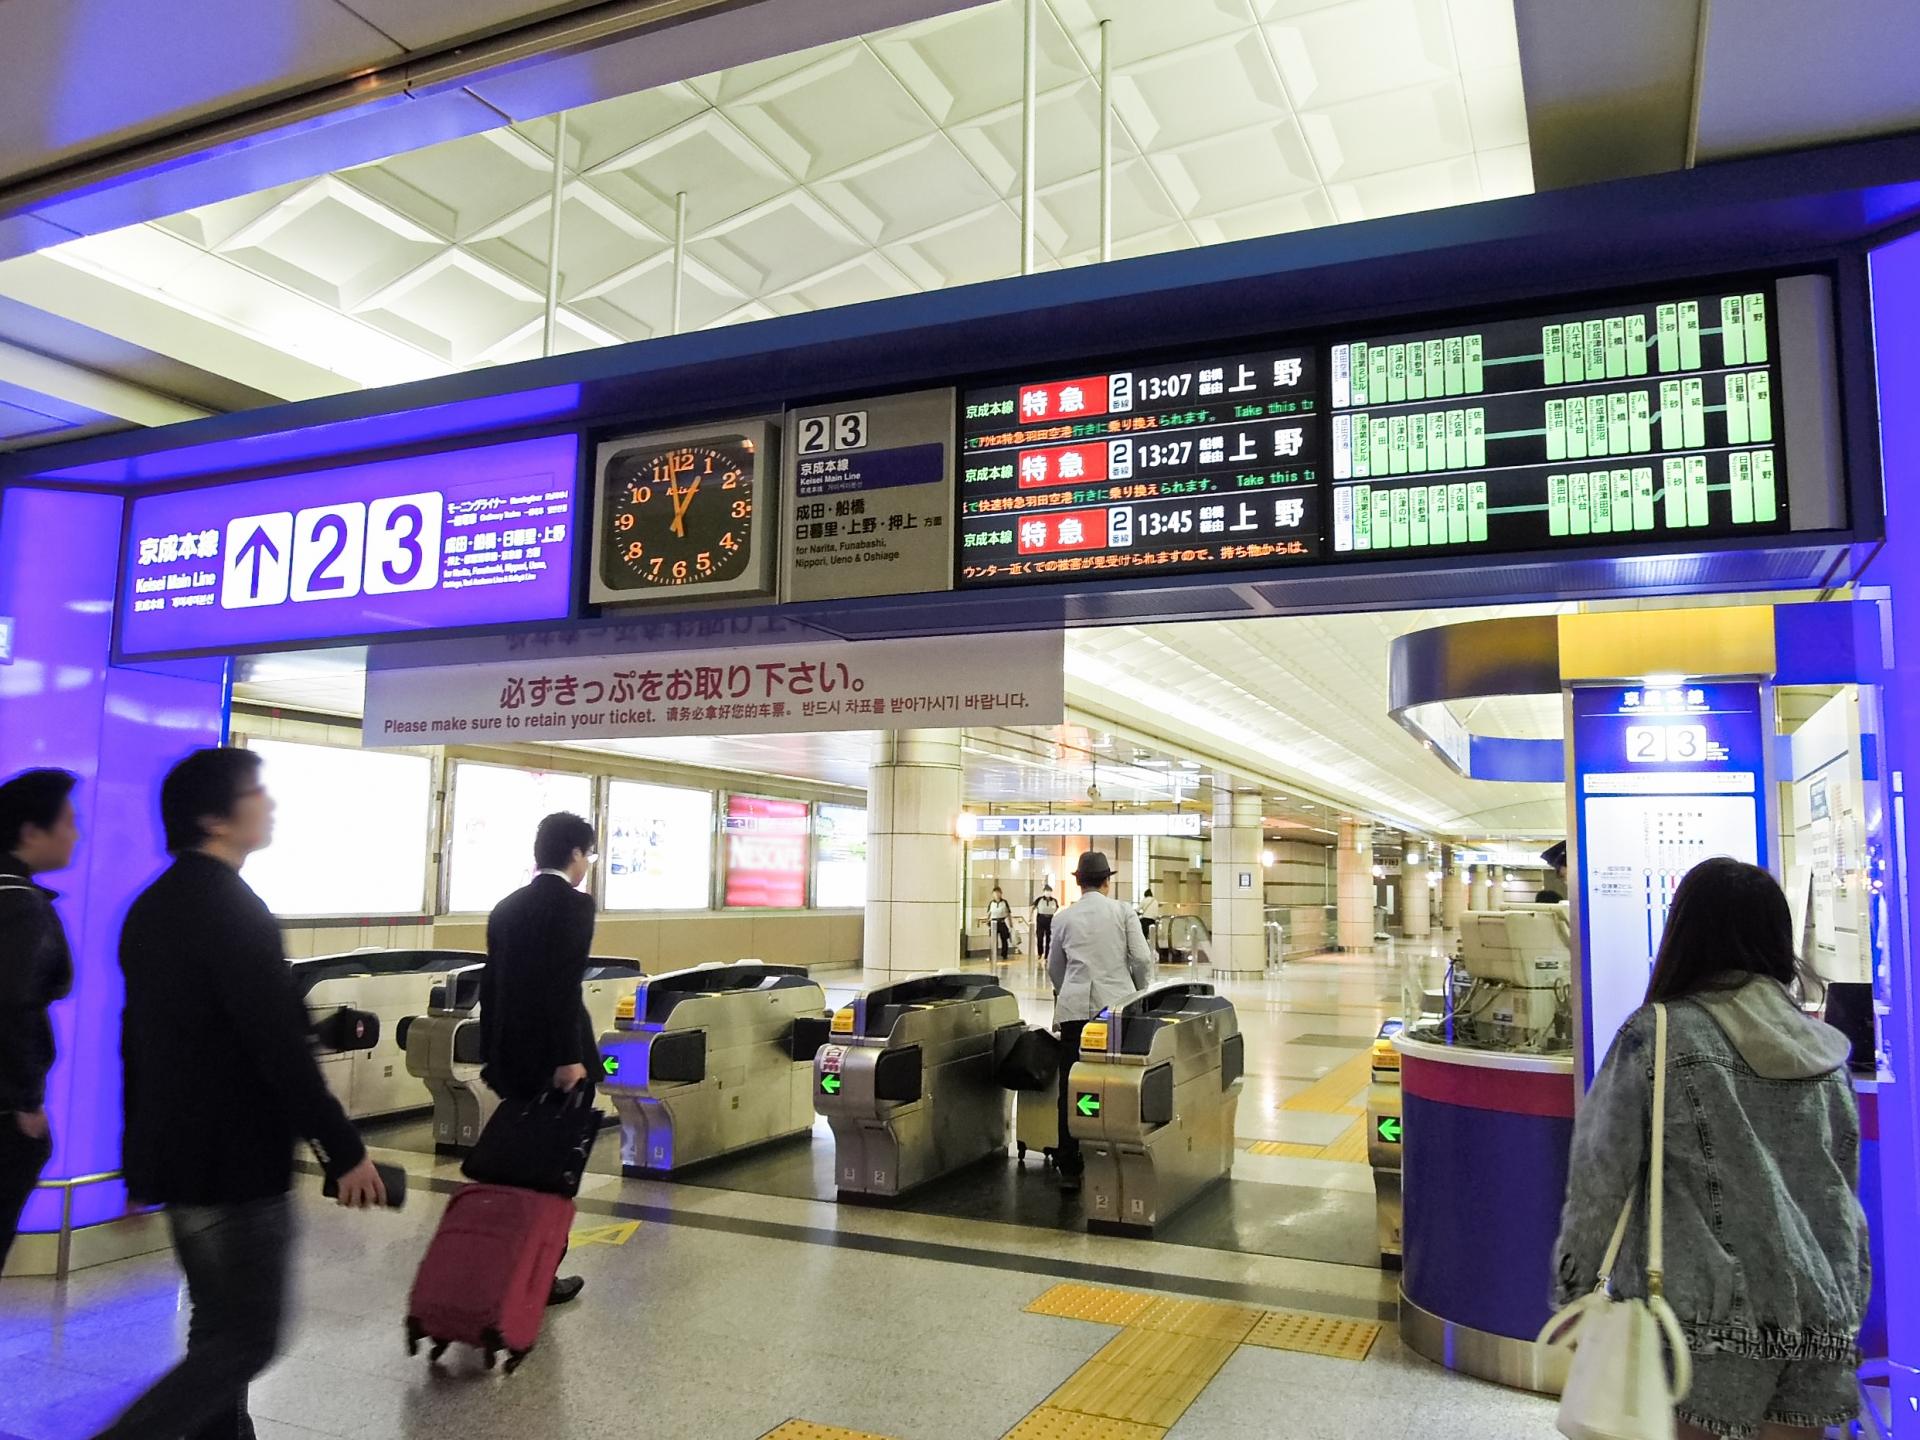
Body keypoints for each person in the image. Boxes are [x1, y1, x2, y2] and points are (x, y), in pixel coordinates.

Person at [96, 747, 386, 1440]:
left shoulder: (151, 910)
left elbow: (139, 1045)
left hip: (182, 1165)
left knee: (216, 1326)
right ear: (213, 817)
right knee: (248, 1339)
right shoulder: (235, 910)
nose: (270, 804)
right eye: (256, 792)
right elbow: (278, 1049)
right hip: (238, 1166)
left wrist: (140, 1162)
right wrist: (345, 1151)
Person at [1551, 858, 1869, 1440]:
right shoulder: (1825, 1051)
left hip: (1697, 1320)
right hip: (1819, 1314)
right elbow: (1842, 1195)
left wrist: (1574, 1292)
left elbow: (1600, 1176)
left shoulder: (1658, 1033)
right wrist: (1846, 1305)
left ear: (1684, 935)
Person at [480, 810, 601, 1307]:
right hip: (556, 1062)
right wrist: (569, 1058)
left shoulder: (506, 907)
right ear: (574, 853)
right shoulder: (574, 906)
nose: (588, 864)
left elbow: (493, 987)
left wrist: (493, 1055)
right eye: (588, 854)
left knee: (512, 1164)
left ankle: (496, 1260)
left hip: (511, 1060)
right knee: (553, 1170)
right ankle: (539, 1274)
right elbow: (560, 986)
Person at [0, 769, 78, 1274]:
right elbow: (13, 1007)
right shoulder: (20, 908)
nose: (76, 834)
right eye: (68, 823)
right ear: (31, 832)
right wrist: (26, 1104)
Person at [1047, 851, 1155, 1194]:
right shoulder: (1123, 911)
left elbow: (1055, 967)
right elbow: (1140, 958)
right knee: (1115, 1080)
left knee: (1073, 1084)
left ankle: (1069, 1165)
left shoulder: (1063, 917)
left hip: (1076, 1013)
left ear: (1078, 882)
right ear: (1108, 881)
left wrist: (1068, 992)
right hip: (1116, 1011)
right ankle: (1113, 1148)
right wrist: (1140, 992)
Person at [1031, 882, 1060, 962]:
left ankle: (1047, 955)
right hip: (1041, 919)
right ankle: (1040, 953)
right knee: (1040, 937)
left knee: (1049, 938)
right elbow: (1033, 907)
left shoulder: (1054, 900)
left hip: (1050, 919)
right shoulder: (1039, 899)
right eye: (1047, 891)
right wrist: (1030, 917)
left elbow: (1056, 908)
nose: (1048, 892)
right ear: (1044, 891)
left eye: (1049, 891)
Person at [986, 885, 1013, 963]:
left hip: (1002, 922)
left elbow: (1008, 913)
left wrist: (1011, 924)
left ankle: (1004, 954)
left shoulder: (1004, 902)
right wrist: (987, 921)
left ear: (1001, 894)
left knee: (1004, 939)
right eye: (995, 893)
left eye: (998, 893)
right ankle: (993, 954)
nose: (997, 895)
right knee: (993, 940)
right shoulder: (991, 903)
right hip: (993, 922)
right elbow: (989, 913)